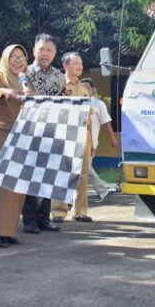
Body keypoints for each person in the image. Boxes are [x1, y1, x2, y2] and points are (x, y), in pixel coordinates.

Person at [0, 44, 35, 248]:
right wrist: (5, 92)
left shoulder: (26, 79)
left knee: (16, 189)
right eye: (13, 57)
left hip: (19, 138)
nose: (18, 60)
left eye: (21, 57)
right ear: (5, 58)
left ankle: (8, 232)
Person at [21, 33, 64, 234]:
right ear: (33, 51)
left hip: (52, 129)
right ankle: (29, 219)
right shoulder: (24, 72)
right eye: (41, 49)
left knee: (48, 175)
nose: (44, 53)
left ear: (55, 53)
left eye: (49, 50)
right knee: (30, 175)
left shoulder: (59, 76)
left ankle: (44, 218)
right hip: (30, 129)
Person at [51, 52, 94, 223]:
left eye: (81, 64)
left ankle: (80, 211)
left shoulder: (84, 90)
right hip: (64, 133)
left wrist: (90, 140)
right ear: (65, 65)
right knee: (62, 171)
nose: (80, 67)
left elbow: (89, 117)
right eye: (76, 63)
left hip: (83, 134)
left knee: (83, 174)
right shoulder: (58, 85)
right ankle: (58, 211)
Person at [80, 78, 119, 203]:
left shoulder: (98, 104)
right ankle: (100, 189)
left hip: (91, 143)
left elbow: (107, 123)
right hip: (76, 142)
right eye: (82, 87)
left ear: (93, 89)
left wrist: (113, 140)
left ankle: (101, 189)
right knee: (84, 168)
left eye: (87, 87)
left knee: (85, 168)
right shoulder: (77, 103)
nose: (84, 90)